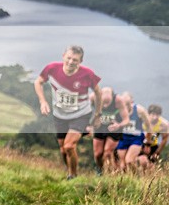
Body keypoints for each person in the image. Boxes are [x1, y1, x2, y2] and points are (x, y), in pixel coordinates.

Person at [34, 45, 102, 179]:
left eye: (75, 60)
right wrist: (43, 101)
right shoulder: (52, 68)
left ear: (80, 61)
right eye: (69, 58)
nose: (71, 62)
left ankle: (73, 176)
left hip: (80, 115)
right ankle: (70, 170)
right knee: (63, 149)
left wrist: (97, 115)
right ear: (63, 56)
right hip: (60, 115)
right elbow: (38, 82)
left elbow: (98, 92)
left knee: (69, 146)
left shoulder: (87, 74)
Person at [90, 87, 130, 175]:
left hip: (114, 127)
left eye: (107, 103)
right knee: (98, 154)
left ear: (112, 98)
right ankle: (99, 170)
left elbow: (126, 120)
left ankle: (110, 174)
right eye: (103, 103)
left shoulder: (119, 100)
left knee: (107, 151)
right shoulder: (93, 97)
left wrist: (119, 125)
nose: (105, 106)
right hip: (100, 127)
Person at [116, 93, 150, 172]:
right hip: (123, 138)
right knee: (123, 165)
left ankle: (137, 177)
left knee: (129, 161)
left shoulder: (140, 110)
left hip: (136, 138)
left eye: (128, 104)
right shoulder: (118, 111)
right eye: (123, 104)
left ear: (132, 102)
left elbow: (149, 127)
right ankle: (127, 181)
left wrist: (148, 143)